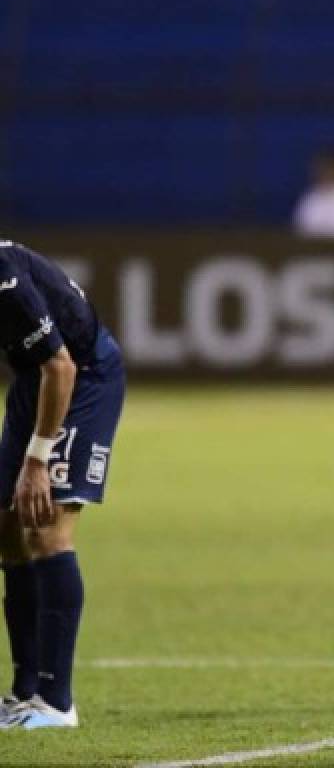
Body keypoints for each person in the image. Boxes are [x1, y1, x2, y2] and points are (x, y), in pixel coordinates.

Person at [0, 240, 125, 730]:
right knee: (8, 528)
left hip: (82, 375)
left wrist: (37, 458)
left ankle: (56, 702)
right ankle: (23, 694)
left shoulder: (5, 279)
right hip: (34, 380)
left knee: (47, 526)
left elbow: (62, 364)